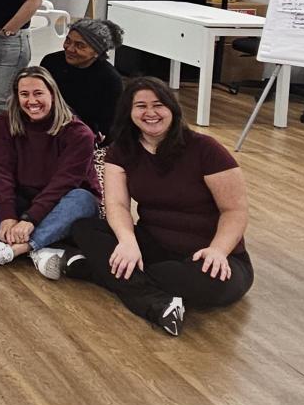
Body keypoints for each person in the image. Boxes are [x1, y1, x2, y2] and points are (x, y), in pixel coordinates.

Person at [69, 77, 250, 336]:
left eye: (158, 105)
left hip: (208, 256)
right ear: (129, 112)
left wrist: (219, 251)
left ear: (172, 110)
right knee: (85, 229)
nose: (150, 113)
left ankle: (96, 271)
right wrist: (127, 240)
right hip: (153, 244)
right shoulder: (121, 151)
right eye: (140, 106)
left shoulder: (205, 149)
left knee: (208, 284)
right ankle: (157, 303)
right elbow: (117, 204)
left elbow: (234, 210)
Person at [0, 66, 100, 276]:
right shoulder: (4, 123)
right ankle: (39, 247)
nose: (31, 101)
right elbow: (0, 170)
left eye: (38, 93)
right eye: (24, 94)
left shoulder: (79, 134)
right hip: (22, 199)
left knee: (83, 199)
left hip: (61, 203)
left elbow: (63, 183)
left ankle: (16, 249)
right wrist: (8, 215)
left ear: (52, 94)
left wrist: (30, 220)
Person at [40, 18, 125, 139]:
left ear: (97, 52)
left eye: (80, 45)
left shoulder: (110, 80)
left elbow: (109, 125)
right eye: (68, 40)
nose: (69, 48)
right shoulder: (51, 62)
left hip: (83, 136)